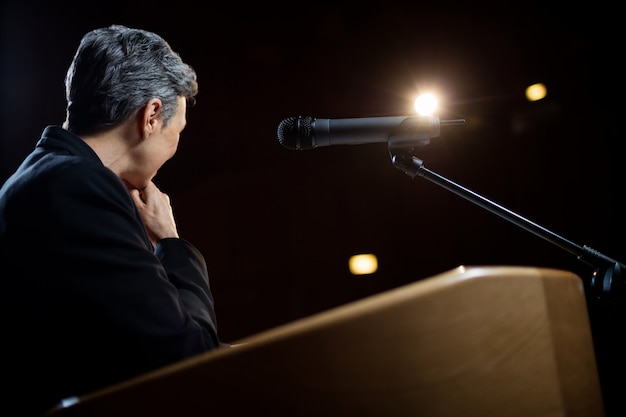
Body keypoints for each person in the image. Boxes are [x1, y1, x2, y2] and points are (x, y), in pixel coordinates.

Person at [0, 25, 224, 416]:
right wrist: (172, 242)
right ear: (152, 115)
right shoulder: (79, 185)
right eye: (179, 130)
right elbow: (191, 358)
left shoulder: (40, 177)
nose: (176, 145)